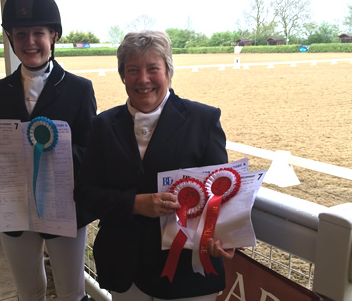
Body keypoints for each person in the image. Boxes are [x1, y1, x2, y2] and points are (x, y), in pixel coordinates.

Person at [74, 30, 235, 301]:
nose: (143, 79)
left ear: (168, 72)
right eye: (133, 69)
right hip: (126, 268)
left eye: (153, 69)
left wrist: (220, 235)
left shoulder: (203, 120)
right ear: (123, 75)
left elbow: (220, 193)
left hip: (186, 272)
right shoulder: (102, 125)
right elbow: (85, 192)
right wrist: (135, 204)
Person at [0, 0, 97, 301]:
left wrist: (55, 155)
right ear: (10, 38)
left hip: (64, 206)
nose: (30, 42)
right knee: (28, 290)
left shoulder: (79, 89)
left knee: (71, 290)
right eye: (21, 34)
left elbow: (90, 151)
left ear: (54, 36)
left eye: (39, 33)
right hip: (14, 207)